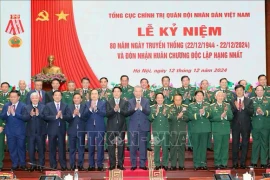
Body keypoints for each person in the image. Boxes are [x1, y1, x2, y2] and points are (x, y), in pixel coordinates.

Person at [43, 90, 71, 170]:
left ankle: (63, 165)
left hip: (61, 130)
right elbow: (45, 116)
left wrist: (62, 116)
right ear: (53, 96)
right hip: (51, 130)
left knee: (62, 148)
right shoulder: (48, 105)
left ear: (61, 97)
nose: (57, 97)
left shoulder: (65, 105)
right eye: (56, 95)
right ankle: (53, 165)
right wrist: (55, 116)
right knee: (52, 148)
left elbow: (69, 116)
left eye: (59, 95)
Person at [0, 90, 28, 171]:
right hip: (10, 131)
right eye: (11, 97)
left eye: (14, 97)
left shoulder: (23, 106)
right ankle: (15, 164)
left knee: (21, 148)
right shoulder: (6, 105)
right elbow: (2, 116)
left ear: (18, 97)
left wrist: (14, 113)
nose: (12, 98)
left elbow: (25, 117)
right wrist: (7, 113)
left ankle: (22, 164)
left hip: (20, 131)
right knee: (12, 148)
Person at [230, 85, 253, 169]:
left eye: (241, 90)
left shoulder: (249, 101)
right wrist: (236, 108)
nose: (239, 92)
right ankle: (235, 163)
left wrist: (244, 107)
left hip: (246, 125)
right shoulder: (232, 101)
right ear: (235, 92)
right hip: (235, 125)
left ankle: (243, 163)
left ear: (244, 91)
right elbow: (230, 113)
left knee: (245, 144)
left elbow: (251, 112)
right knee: (235, 144)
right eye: (237, 90)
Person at [128, 86, 150, 170]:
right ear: (134, 92)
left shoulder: (146, 101)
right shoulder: (130, 101)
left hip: (143, 127)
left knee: (143, 146)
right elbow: (128, 113)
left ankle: (142, 164)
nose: (137, 93)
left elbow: (148, 112)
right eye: (136, 91)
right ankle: (133, 164)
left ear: (142, 92)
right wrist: (135, 109)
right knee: (133, 147)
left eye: (139, 91)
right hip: (133, 127)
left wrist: (141, 108)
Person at [106, 87, 129, 170]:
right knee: (111, 146)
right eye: (115, 91)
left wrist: (119, 110)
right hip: (111, 127)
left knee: (121, 146)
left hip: (121, 127)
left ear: (121, 93)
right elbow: (107, 114)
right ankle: (112, 164)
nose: (116, 93)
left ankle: (120, 164)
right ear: (112, 93)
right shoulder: (108, 102)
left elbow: (126, 113)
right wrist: (113, 110)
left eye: (118, 91)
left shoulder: (125, 102)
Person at [187, 90, 211, 170]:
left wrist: (204, 113)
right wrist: (199, 114)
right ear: (195, 97)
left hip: (205, 129)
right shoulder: (191, 105)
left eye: (201, 95)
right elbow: (189, 116)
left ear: (203, 97)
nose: (199, 97)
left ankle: (203, 163)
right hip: (195, 129)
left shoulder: (207, 105)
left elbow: (210, 115)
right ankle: (196, 164)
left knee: (203, 147)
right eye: (198, 95)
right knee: (196, 147)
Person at [209, 91, 233, 169]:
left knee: (225, 147)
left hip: (226, 129)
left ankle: (224, 163)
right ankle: (217, 163)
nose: (220, 97)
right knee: (217, 147)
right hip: (217, 130)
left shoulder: (227, 105)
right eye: (218, 96)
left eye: (222, 96)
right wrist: (220, 117)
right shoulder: (212, 106)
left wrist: (226, 116)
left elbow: (231, 117)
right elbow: (210, 118)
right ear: (215, 97)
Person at [84, 89, 106, 171]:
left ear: (98, 95)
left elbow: (105, 113)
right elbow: (84, 115)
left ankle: (100, 164)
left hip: (100, 127)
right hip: (90, 128)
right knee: (90, 147)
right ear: (90, 95)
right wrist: (90, 109)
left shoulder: (103, 103)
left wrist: (97, 109)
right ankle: (91, 164)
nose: (94, 95)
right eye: (92, 94)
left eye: (95, 93)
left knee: (100, 147)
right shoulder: (86, 103)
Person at [24, 92, 46, 172]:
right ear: (30, 99)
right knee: (31, 150)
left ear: (39, 99)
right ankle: (32, 165)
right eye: (33, 98)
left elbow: (46, 118)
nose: (35, 99)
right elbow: (24, 118)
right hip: (30, 133)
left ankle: (40, 166)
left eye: (36, 98)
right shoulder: (26, 107)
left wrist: (38, 114)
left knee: (41, 150)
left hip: (41, 132)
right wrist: (30, 115)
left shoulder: (43, 107)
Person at [250, 85, 270, 168]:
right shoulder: (251, 100)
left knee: (265, 144)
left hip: (265, 125)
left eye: (261, 90)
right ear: (255, 91)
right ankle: (254, 162)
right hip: (255, 125)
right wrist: (255, 112)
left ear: (264, 91)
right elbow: (249, 111)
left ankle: (264, 162)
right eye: (258, 90)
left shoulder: (268, 100)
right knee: (255, 143)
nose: (259, 92)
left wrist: (263, 112)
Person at [150, 93, 170, 171]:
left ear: (163, 99)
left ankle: (165, 164)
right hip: (156, 131)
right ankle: (157, 164)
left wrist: (166, 114)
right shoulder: (152, 108)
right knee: (157, 148)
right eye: (158, 98)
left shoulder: (168, 107)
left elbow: (171, 117)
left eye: (161, 98)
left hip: (165, 131)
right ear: (155, 99)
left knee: (165, 148)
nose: (159, 99)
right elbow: (150, 118)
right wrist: (156, 113)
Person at [168, 94, 188, 170]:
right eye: (176, 99)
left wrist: (182, 116)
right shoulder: (170, 108)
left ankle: (181, 165)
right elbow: (169, 117)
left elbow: (188, 117)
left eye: (179, 99)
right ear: (174, 100)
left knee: (181, 148)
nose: (178, 101)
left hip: (182, 131)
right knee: (172, 148)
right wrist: (177, 117)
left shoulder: (185, 108)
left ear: (181, 100)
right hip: (173, 131)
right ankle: (173, 165)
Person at [67, 93, 86, 171]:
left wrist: (80, 114)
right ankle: (72, 165)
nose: (76, 99)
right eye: (75, 98)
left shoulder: (84, 106)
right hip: (72, 131)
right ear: (73, 99)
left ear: (81, 99)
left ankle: (80, 165)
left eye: (78, 98)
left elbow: (86, 117)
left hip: (81, 131)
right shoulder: (69, 107)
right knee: (72, 149)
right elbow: (67, 118)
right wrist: (73, 115)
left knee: (81, 149)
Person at [177, 76, 196, 152]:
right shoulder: (178, 90)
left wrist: (190, 97)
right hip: (182, 110)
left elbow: (197, 99)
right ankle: (182, 145)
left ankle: (191, 145)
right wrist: (183, 98)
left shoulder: (193, 89)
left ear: (189, 81)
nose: (185, 82)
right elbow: (176, 100)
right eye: (183, 81)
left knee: (191, 129)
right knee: (182, 129)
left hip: (191, 110)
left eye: (186, 80)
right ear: (181, 82)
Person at [116, 75, 134, 151]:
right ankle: (120, 144)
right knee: (120, 130)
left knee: (130, 129)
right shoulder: (117, 89)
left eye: (125, 80)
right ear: (120, 81)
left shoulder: (132, 89)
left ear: (128, 81)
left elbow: (134, 100)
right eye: (122, 80)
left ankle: (130, 145)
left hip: (129, 112)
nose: (124, 82)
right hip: (120, 113)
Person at [97, 77, 113, 152]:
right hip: (99, 114)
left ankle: (107, 146)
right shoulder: (96, 91)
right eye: (102, 82)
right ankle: (100, 146)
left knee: (108, 130)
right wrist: (99, 97)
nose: (103, 83)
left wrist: (107, 98)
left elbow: (113, 102)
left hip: (108, 114)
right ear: (100, 83)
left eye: (105, 82)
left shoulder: (111, 92)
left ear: (107, 83)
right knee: (100, 131)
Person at [140, 78, 155, 151]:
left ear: (147, 83)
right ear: (140, 84)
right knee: (139, 129)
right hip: (139, 113)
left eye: (145, 82)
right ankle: (139, 145)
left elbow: (154, 103)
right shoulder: (138, 92)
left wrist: (152, 98)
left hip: (148, 113)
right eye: (142, 82)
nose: (144, 84)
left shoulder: (151, 92)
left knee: (148, 129)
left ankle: (148, 145)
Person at [200, 79, 214, 151]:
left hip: (208, 112)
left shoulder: (211, 93)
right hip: (200, 113)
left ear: (208, 85)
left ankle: (208, 145)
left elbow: (214, 102)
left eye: (206, 83)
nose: (205, 85)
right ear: (201, 85)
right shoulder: (198, 93)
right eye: (203, 84)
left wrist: (209, 98)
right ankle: (201, 144)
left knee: (209, 129)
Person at [0, 82, 10, 171]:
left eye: (6, 87)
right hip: (0, 124)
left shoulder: (12, 97)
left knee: (6, 144)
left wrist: (3, 125)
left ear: (8, 88)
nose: (4, 88)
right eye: (3, 86)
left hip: (10, 123)